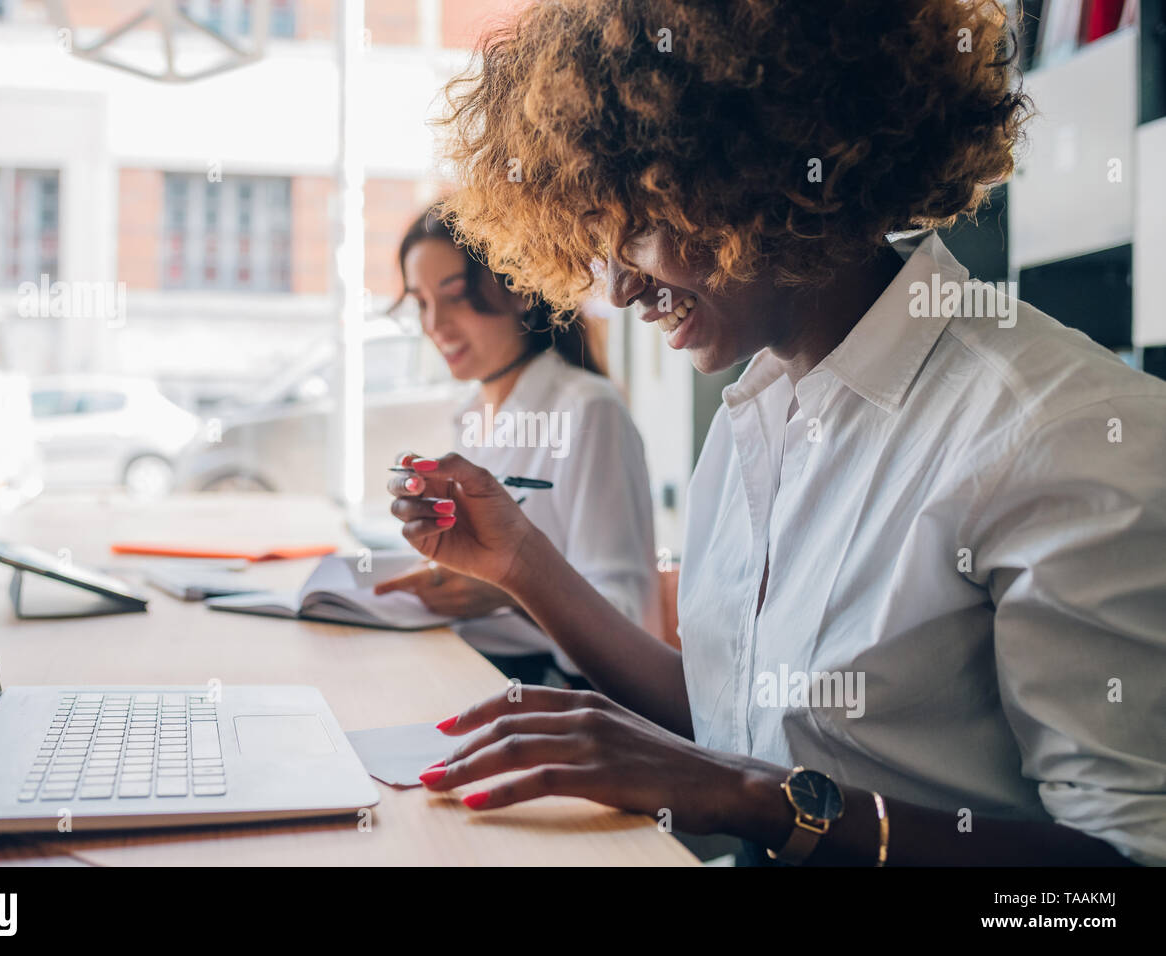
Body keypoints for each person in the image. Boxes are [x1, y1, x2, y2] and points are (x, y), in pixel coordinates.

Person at [387, 0, 1166, 865]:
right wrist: (518, 562)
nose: (615, 291)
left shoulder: (1059, 436)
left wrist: (758, 803)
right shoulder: (761, 412)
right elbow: (735, 722)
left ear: (781, 182)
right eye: (594, 241)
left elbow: (1113, 882)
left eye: (638, 228)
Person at [374, 206, 660, 689]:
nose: (435, 325)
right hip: (472, 672)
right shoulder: (470, 416)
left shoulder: (588, 410)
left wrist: (506, 592)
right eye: (421, 302)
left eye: (456, 297)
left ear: (519, 290)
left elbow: (630, 622)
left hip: (554, 695)